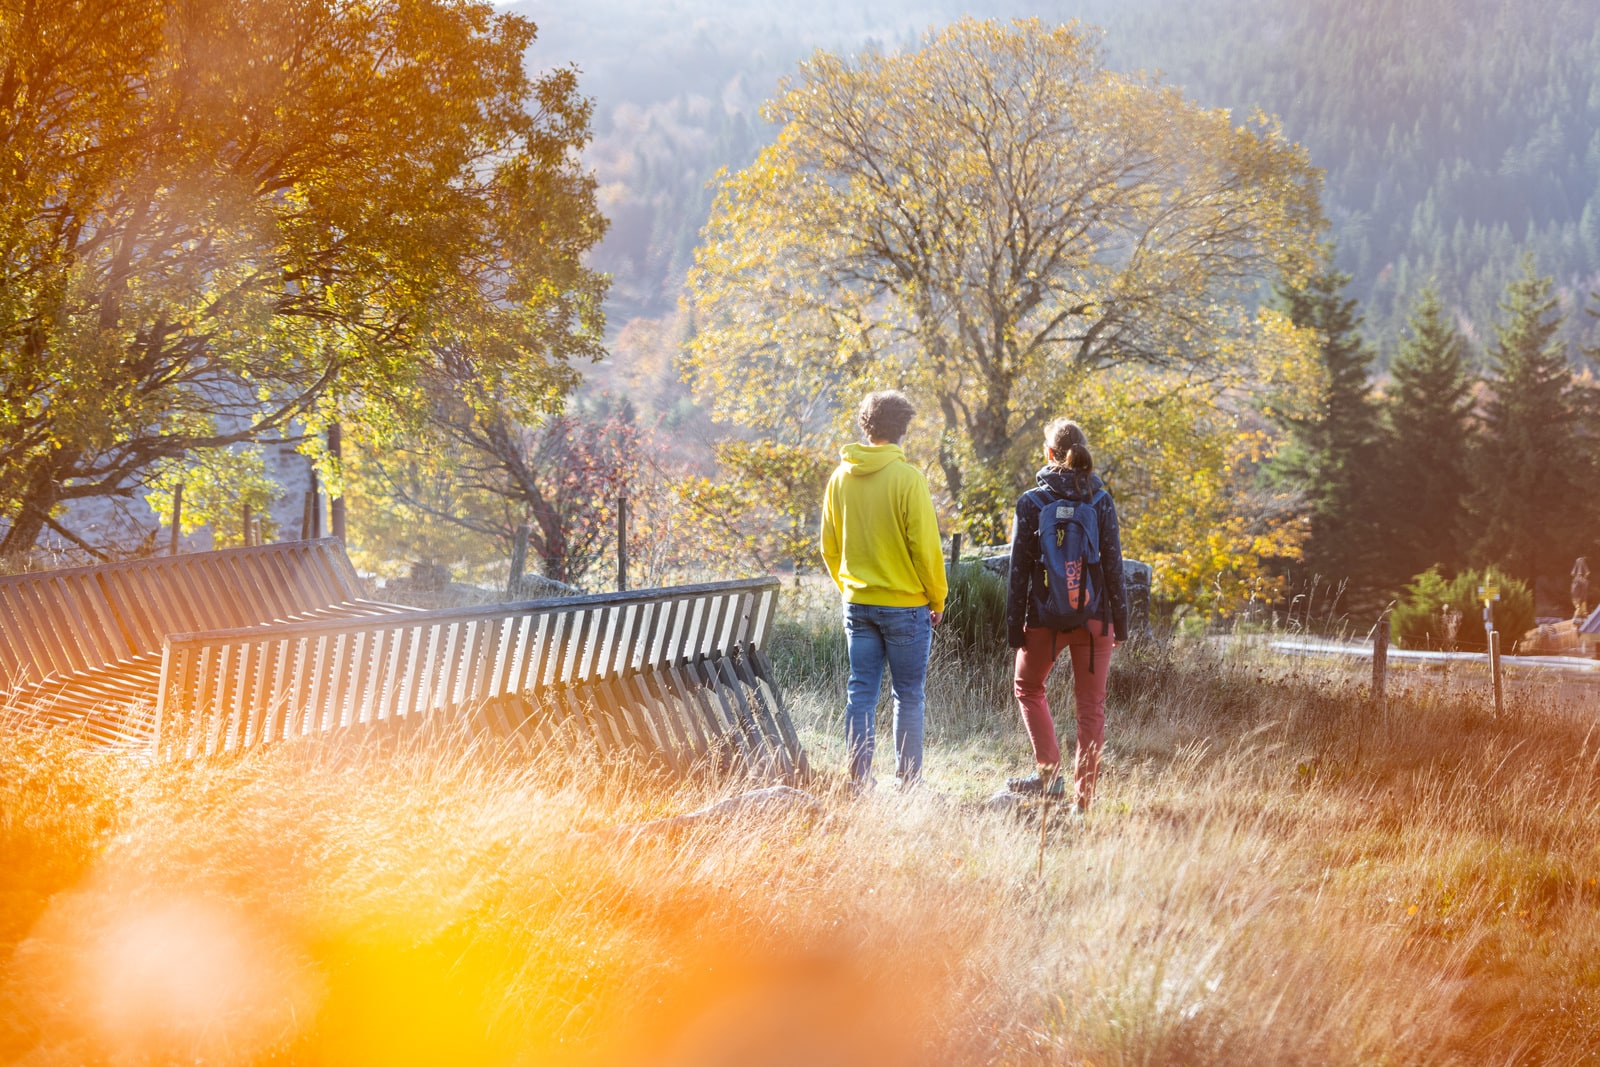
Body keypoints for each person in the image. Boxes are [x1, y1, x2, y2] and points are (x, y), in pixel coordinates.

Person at [820, 390, 947, 790]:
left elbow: (829, 545)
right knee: (907, 694)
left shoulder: (840, 478)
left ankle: (858, 779)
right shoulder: (908, 479)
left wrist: (850, 587)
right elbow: (925, 549)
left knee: (860, 692)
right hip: (906, 607)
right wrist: (937, 597)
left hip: (858, 604)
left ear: (866, 425)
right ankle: (908, 782)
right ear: (902, 428)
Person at [1004, 418, 1128, 812]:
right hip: (1096, 619)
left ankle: (1050, 776)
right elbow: (1114, 567)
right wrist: (1120, 624)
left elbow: (1018, 572)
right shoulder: (1100, 501)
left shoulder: (1031, 502)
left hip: (1044, 618)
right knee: (1090, 708)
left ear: (1049, 454)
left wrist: (1014, 626)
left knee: (1028, 688)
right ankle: (1083, 803)